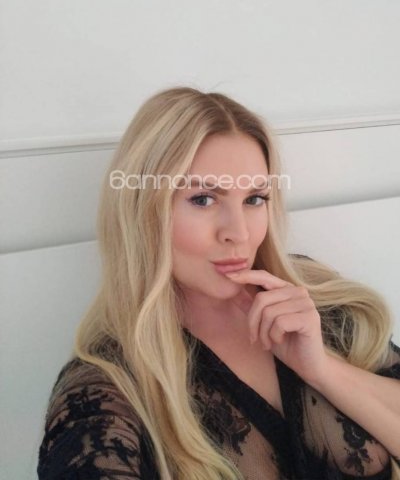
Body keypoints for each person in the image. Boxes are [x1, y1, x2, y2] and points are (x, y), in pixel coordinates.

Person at [37, 86, 400, 480]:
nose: (238, 233)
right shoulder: (104, 387)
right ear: (143, 211)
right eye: (203, 199)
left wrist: (323, 370)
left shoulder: (311, 298)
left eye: (254, 198)